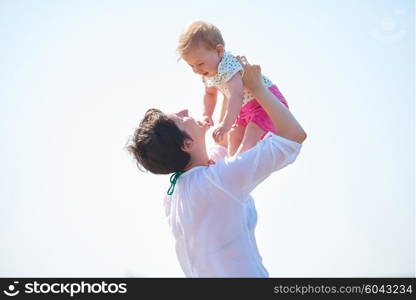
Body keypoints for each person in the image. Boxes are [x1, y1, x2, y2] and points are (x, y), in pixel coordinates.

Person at [127, 57, 307, 277]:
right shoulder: (217, 181)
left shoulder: (176, 193)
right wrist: (259, 88)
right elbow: (294, 136)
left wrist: (230, 82)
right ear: (187, 144)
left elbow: (223, 142)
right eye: (181, 120)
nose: (185, 111)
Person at [177, 21, 289, 157]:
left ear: (219, 51)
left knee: (249, 138)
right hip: (244, 109)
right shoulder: (207, 71)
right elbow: (210, 94)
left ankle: (241, 164)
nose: (196, 70)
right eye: (191, 66)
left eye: (200, 63)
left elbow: (236, 94)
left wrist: (225, 124)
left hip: (264, 105)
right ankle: (233, 166)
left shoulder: (228, 64)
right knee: (234, 136)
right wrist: (207, 114)